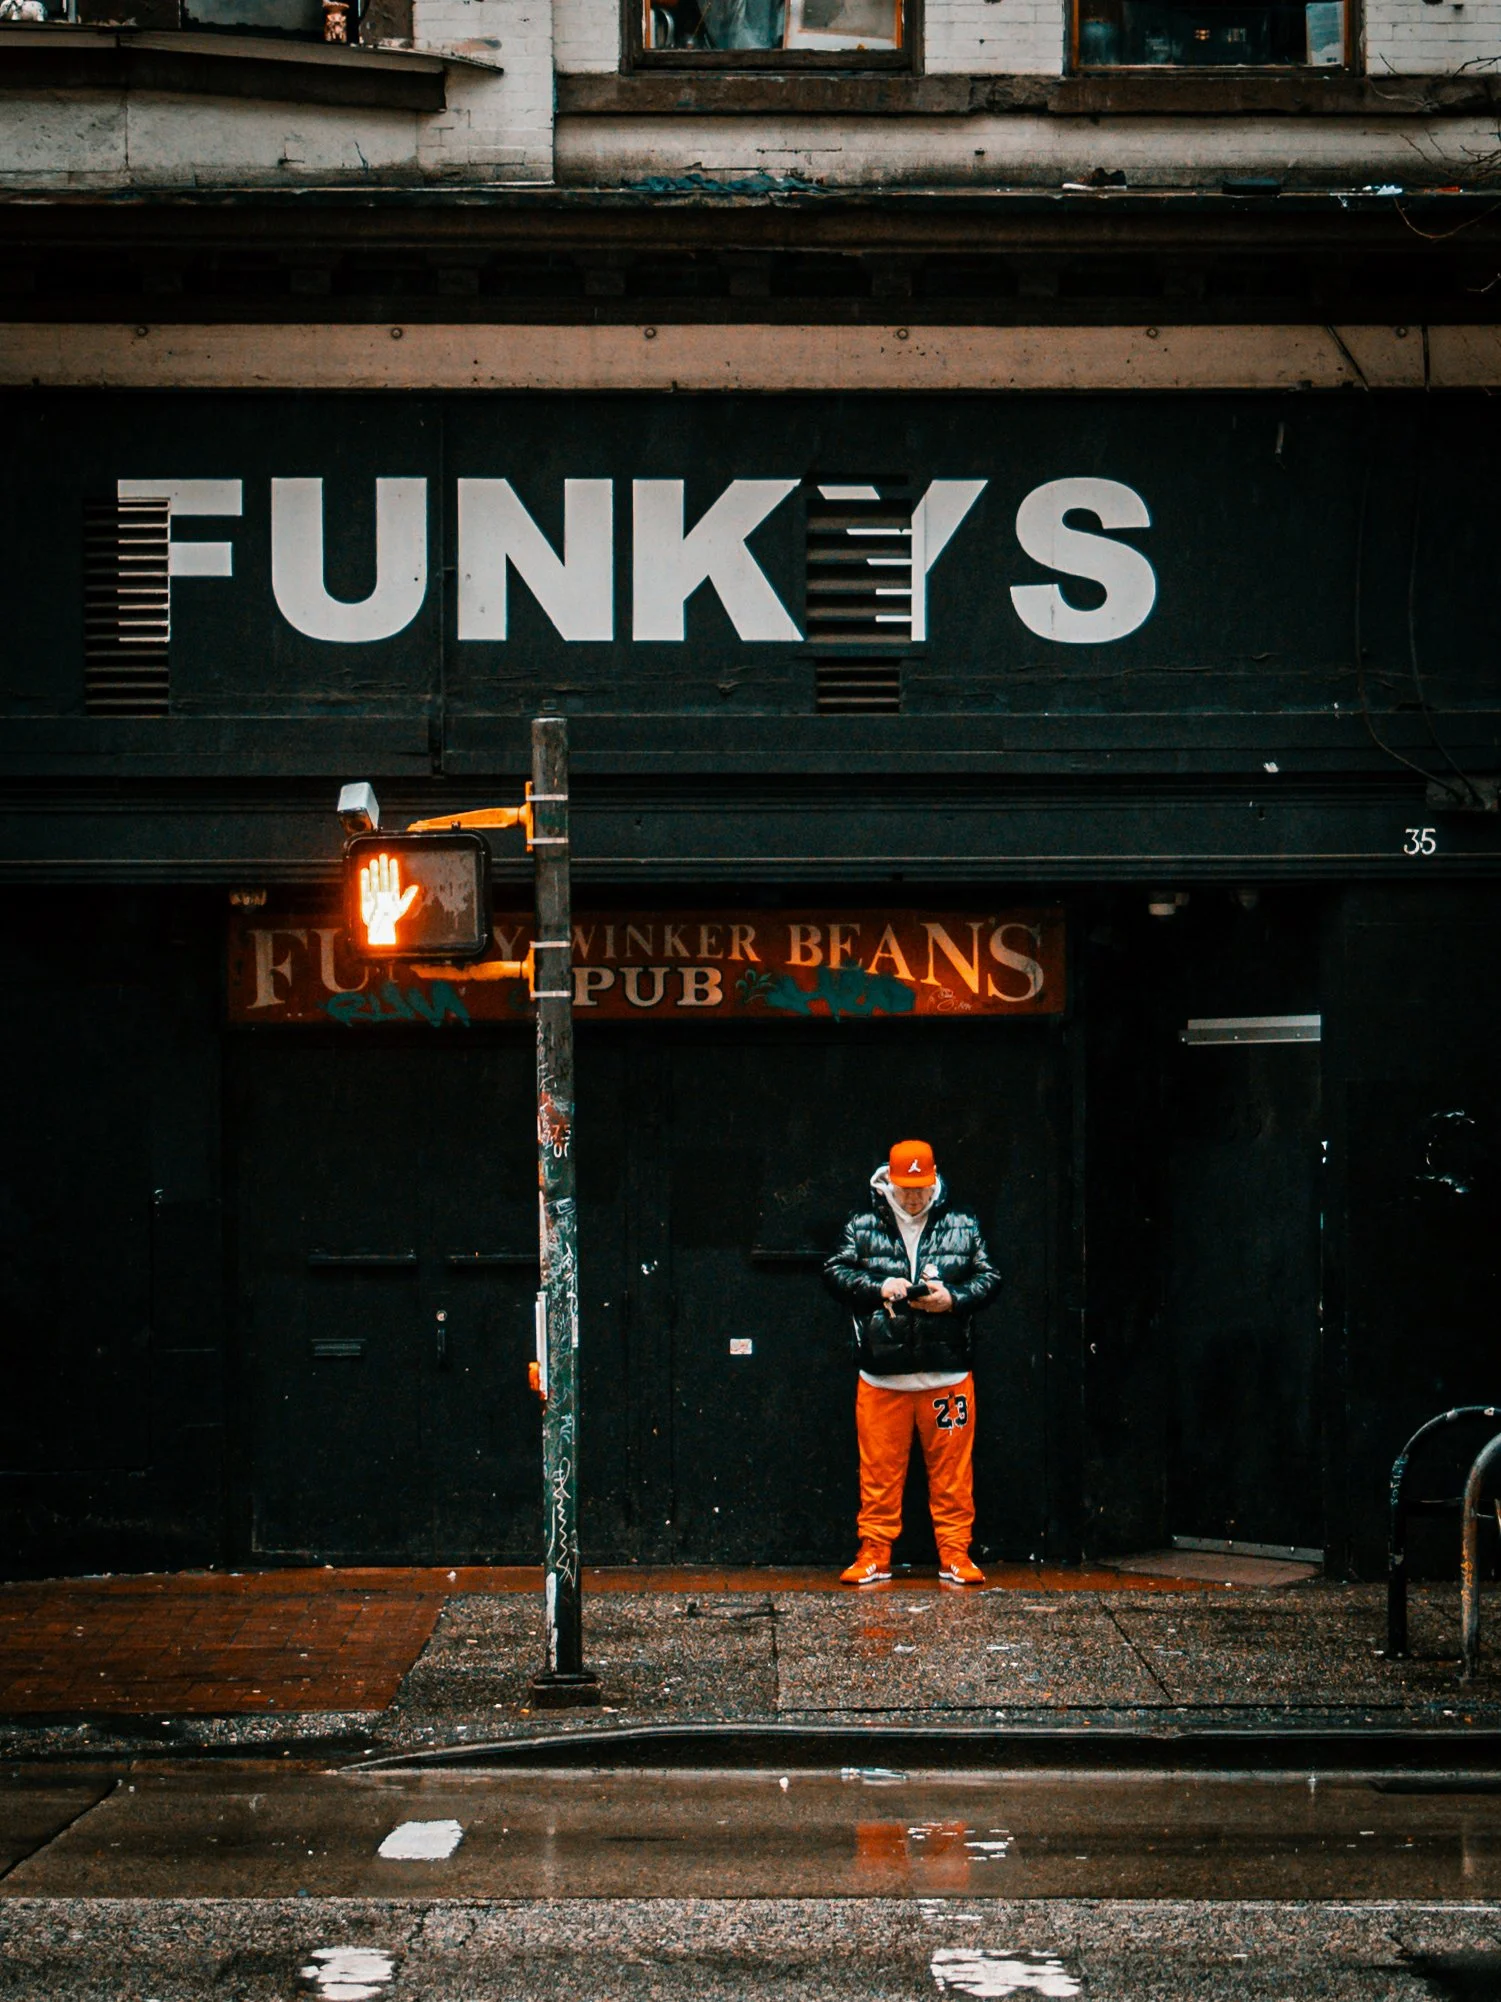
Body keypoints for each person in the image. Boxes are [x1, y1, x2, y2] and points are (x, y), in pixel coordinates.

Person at [823, 1139, 1001, 1587]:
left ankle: (956, 1554)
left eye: (921, 1188)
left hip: (948, 1374)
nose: (915, 1197)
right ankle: (874, 1554)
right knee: (878, 1473)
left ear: (934, 1178)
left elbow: (989, 1277)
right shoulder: (863, 1224)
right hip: (883, 1375)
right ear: (891, 1182)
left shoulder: (962, 1222)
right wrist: (881, 1286)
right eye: (906, 1189)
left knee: (953, 1476)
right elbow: (836, 1273)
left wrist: (952, 1299)